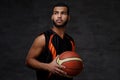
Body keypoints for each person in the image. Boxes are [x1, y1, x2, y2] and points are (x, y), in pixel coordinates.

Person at [25, 2, 75, 80]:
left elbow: (70, 62)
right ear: (52, 17)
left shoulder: (70, 41)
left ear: (68, 17)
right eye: (56, 13)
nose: (59, 16)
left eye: (63, 13)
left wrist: (77, 65)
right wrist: (48, 66)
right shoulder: (43, 38)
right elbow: (28, 61)